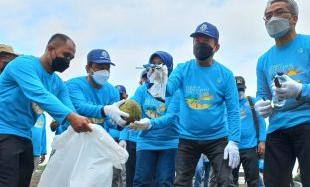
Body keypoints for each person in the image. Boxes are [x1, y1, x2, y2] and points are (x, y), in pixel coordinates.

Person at [254, 0, 310, 186]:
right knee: (273, 182)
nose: (272, 18)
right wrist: (262, 103)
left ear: (294, 18)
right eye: (267, 15)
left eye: (279, 12)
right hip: (277, 128)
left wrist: (300, 90)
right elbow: (262, 92)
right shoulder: (263, 60)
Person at [0, 33, 92, 187]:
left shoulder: (58, 84)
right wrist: (71, 117)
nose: (68, 61)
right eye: (66, 55)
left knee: (22, 183)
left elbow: (70, 109)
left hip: (25, 137)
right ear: (51, 48)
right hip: (4, 132)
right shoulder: (24, 64)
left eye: (71, 58)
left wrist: (87, 126)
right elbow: (38, 94)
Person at [166, 22, 241, 187]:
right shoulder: (182, 69)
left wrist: (234, 141)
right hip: (187, 137)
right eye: (197, 40)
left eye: (206, 41)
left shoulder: (226, 75)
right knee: (181, 182)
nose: (200, 44)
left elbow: (233, 110)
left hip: (217, 138)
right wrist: (158, 81)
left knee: (226, 181)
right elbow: (168, 90)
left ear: (216, 46)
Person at [65, 49, 129, 187]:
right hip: (72, 142)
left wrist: (121, 123)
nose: (105, 71)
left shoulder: (112, 91)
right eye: (100, 67)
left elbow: (109, 121)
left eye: (107, 67)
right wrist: (105, 110)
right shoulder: (73, 85)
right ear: (88, 68)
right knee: (67, 180)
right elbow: (80, 107)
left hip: (97, 145)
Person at [128, 51, 179, 187]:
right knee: (141, 181)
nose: (156, 67)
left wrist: (150, 123)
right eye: (153, 64)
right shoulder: (142, 90)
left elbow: (171, 117)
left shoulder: (175, 91)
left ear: (168, 67)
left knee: (164, 181)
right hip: (146, 141)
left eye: (160, 64)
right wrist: (122, 117)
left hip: (169, 142)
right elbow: (132, 106)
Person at [232, 76, 266, 187]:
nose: (239, 92)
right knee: (231, 181)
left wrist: (262, 141)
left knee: (253, 180)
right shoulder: (228, 105)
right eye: (237, 90)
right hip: (233, 148)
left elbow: (262, 121)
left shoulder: (252, 101)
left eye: (241, 89)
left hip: (250, 147)